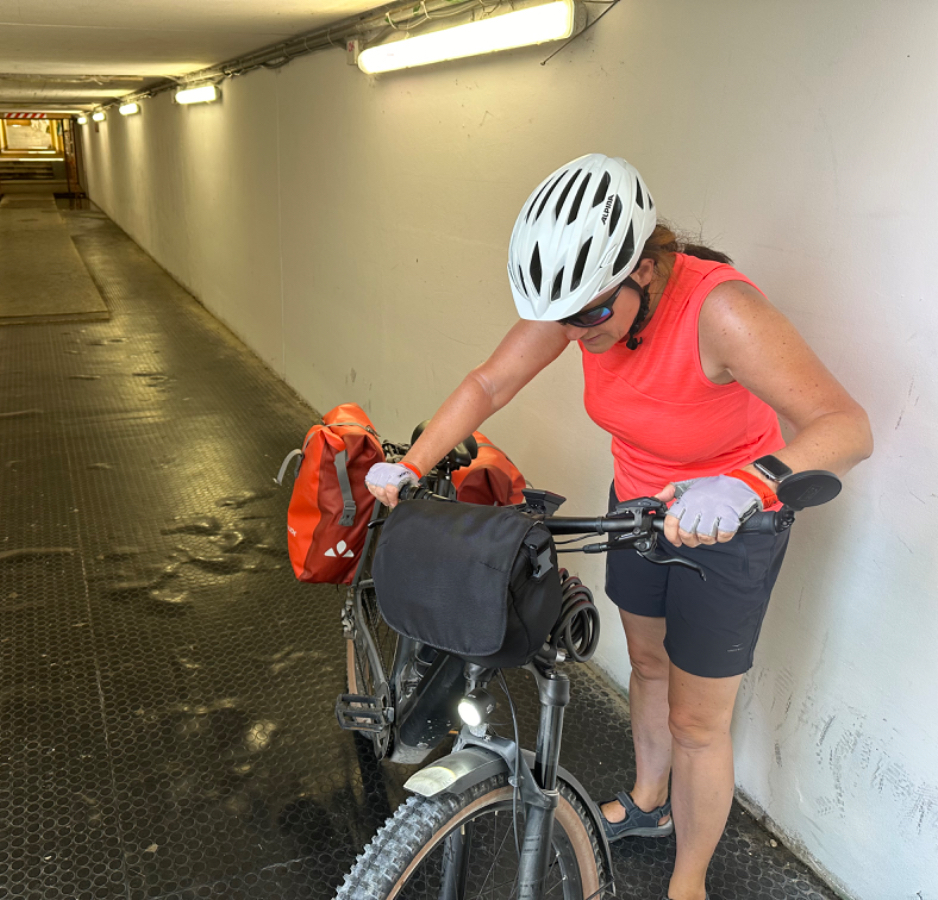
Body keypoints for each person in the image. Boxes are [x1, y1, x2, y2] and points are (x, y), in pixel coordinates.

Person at [363, 154, 872, 900]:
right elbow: (490, 382)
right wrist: (412, 465)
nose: (576, 334)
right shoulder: (583, 308)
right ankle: (648, 801)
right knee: (649, 664)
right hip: (638, 506)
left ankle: (688, 881)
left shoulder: (721, 311)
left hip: (730, 523)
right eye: (564, 320)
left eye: (592, 315)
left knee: (697, 721)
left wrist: (747, 484)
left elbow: (846, 426)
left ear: (644, 270)